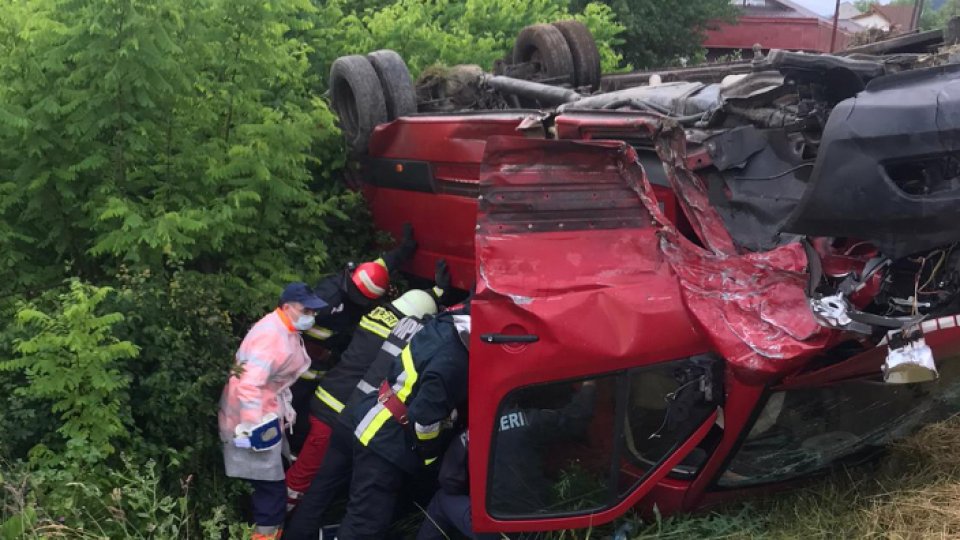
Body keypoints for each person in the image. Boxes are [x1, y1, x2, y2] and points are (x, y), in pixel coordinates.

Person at [283, 303, 471, 540]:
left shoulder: (430, 327)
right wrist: (430, 457)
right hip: (383, 435)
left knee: (320, 494)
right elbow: (424, 418)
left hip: (358, 414)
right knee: (365, 523)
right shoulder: (453, 355)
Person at [284, 278, 446, 509]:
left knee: (306, 463)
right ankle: (276, 519)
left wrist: (436, 291)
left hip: (322, 398)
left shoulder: (376, 314)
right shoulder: (400, 336)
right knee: (303, 478)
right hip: (334, 413)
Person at [288, 224, 420, 452]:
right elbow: (291, 328)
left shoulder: (363, 277)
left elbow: (380, 268)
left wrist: (402, 251)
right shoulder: (326, 300)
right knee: (295, 414)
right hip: (301, 368)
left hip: (327, 364)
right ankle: (290, 452)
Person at [415, 381, 596, 540]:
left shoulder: (471, 434)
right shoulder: (532, 420)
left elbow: (449, 480)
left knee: (441, 499)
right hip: (537, 525)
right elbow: (576, 418)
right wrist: (589, 385)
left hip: (493, 529)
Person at [218, 282, 327, 540]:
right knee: (272, 492)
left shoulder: (283, 328)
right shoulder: (271, 336)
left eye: (314, 312)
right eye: (306, 310)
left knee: (266, 485)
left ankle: (254, 529)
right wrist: (257, 427)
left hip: (261, 417)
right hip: (250, 422)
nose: (311, 317)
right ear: (287, 307)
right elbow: (246, 385)